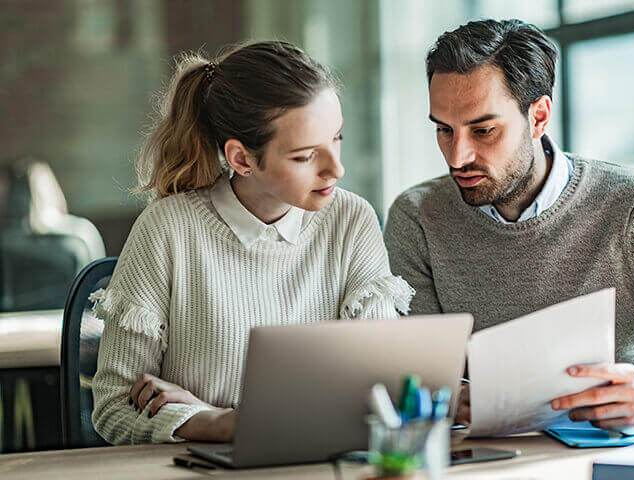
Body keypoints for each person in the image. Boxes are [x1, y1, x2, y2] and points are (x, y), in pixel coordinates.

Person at [383, 20, 634, 435]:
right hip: (481, 461)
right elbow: (415, 377)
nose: (457, 156)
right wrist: (446, 394)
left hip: (611, 453)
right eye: (443, 129)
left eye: (483, 130)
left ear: (539, 116)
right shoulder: (417, 216)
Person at [91, 41, 413, 445]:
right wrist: (214, 426)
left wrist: (219, 416)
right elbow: (112, 408)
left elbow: (376, 391)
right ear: (242, 159)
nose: (337, 168)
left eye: (337, 138)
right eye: (305, 156)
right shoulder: (167, 231)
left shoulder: (352, 221)